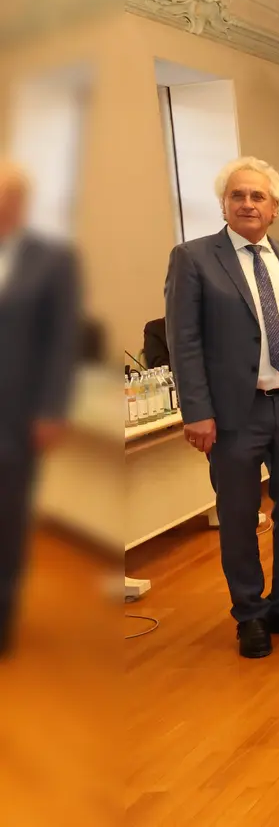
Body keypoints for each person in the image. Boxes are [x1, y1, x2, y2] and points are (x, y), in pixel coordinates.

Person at [164, 157, 279, 658]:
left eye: (258, 197)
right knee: (238, 517)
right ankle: (250, 613)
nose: (248, 204)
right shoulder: (193, 258)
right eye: (238, 195)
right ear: (224, 205)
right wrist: (196, 411)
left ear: (275, 208)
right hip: (235, 413)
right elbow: (183, 340)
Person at [0, 161, 80, 656]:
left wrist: (52, 407)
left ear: (19, 203)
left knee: (7, 519)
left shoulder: (52, 260)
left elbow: (62, 340)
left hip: (15, 414)